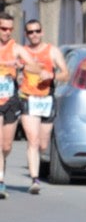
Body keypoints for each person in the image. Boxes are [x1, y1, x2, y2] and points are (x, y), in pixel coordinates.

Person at [14, 18, 69, 195]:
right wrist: (17, 73)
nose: (34, 35)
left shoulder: (52, 51)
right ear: (26, 35)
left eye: (37, 31)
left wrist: (51, 76)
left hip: (46, 99)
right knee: (33, 139)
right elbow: (12, 70)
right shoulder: (22, 52)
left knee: (43, 144)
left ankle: (37, 163)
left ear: (42, 32)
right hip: (28, 98)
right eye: (30, 32)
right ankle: (35, 179)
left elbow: (66, 74)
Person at [0, 14, 22, 199]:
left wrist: (27, 69)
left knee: (6, 146)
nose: (7, 32)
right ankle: (0, 182)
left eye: (10, 29)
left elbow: (31, 64)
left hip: (10, 99)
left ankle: (2, 164)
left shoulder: (16, 48)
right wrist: (7, 63)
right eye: (3, 28)